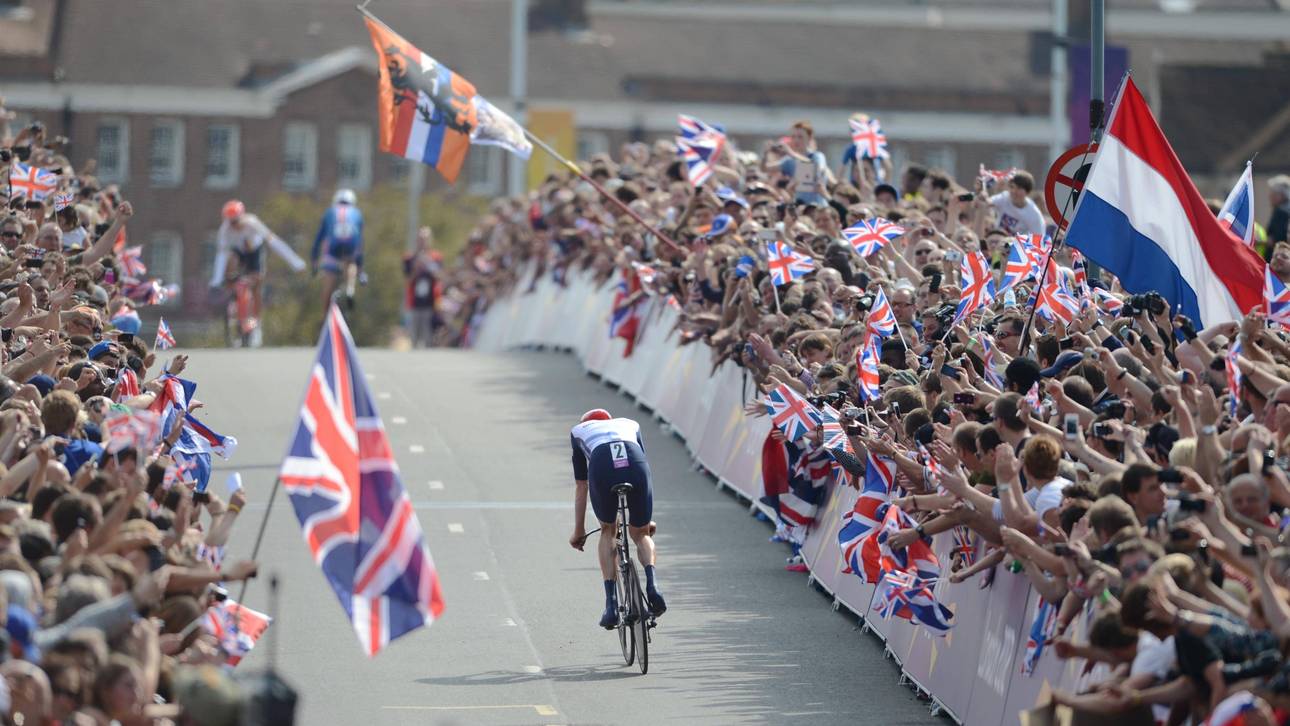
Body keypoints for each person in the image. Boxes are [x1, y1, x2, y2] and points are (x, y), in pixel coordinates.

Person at [567, 408, 666, 628]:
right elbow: (645, 470)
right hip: (635, 462)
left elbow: (581, 486)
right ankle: (653, 585)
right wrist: (644, 521)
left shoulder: (578, 431)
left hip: (602, 464)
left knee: (608, 531)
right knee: (640, 533)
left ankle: (611, 606)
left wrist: (579, 530)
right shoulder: (630, 424)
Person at [209, 199, 307, 326]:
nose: (234, 226)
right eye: (230, 222)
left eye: (236, 221)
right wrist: (217, 279)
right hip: (238, 253)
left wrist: (295, 262)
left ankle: (256, 320)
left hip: (254, 252)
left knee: (256, 283)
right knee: (231, 260)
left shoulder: (252, 223)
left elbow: (274, 242)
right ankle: (234, 298)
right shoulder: (225, 230)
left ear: (242, 217)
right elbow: (221, 255)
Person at [312, 188, 366, 312]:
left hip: (333, 248)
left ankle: (325, 314)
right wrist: (361, 269)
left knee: (328, 282)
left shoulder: (329, 212)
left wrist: (314, 262)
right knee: (351, 264)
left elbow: (318, 239)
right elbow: (360, 243)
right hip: (350, 247)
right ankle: (350, 289)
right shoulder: (357, 213)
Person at [402, 227, 439, 348]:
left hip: (430, 304)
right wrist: (416, 268)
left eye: (425, 239)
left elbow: (440, 277)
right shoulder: (409, 258)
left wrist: (428, 264)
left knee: (428, 338)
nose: (423, 242)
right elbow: (407, 280)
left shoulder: (435, 257)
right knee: (414, 338)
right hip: (414, 304)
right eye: (420, 239)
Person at [988, 170, 1045, 237]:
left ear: (1027, 192)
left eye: (1019, 188)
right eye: (1012, 187)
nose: (1014, 191)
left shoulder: (1034, 215)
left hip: (1019, 245)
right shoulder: (1004, 198)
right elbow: (986, 203)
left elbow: (1039, 239)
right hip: (998, 241)